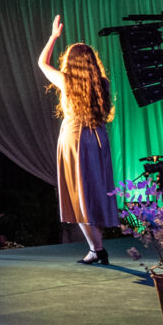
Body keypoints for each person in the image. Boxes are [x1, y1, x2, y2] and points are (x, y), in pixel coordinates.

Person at [39, 14, 117, 264]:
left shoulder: (66, 81)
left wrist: (53, 37)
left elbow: (42, 63)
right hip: (98, 138)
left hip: (75, 139)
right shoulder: (103, 83)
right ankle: (97, 248)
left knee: (78, 194)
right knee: (95, 192)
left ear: (70, 63)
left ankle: (97, 248)